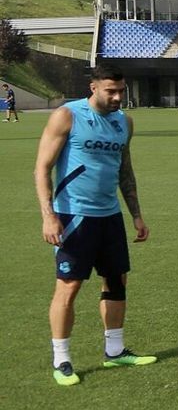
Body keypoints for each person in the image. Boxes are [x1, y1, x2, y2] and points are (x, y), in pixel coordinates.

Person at [34, 63, 154, 386]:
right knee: (69, 286)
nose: (117, 97)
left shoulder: (124, 123)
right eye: (111, 91)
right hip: (74, 216)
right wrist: (49, 215)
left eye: (121, 91)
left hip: (109, 216)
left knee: (116, 281)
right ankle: (62, 359)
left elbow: (124, 172)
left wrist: (136, 215)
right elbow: (42, 168)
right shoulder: (67, 116)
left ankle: (114, 352)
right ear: (94, 88)